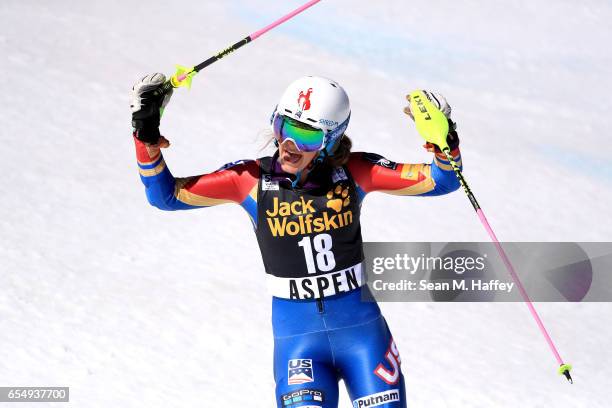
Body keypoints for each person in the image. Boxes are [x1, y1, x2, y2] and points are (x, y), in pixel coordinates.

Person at [130, 73, 462, 408]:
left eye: (305, 136)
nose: (289, 145)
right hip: (299, 347)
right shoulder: (248, 180)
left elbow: (442, 180)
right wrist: (145, 139)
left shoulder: (355, 171)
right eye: (284, 127)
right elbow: (166, 196)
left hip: (363, 339)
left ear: (330, 140)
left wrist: (443, 140)